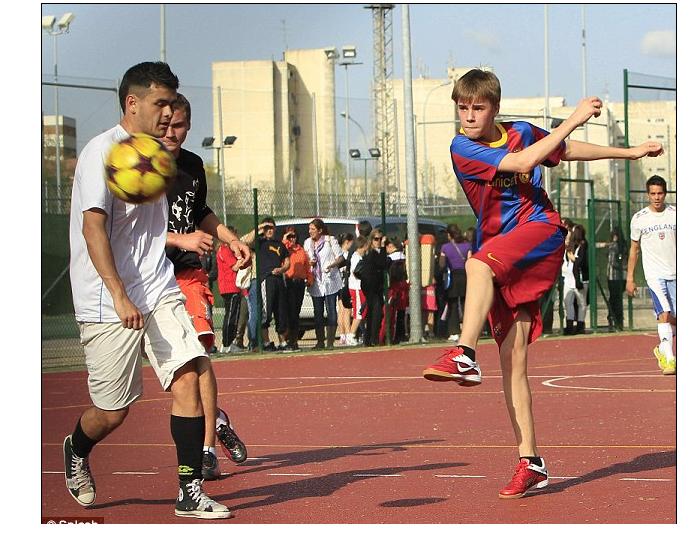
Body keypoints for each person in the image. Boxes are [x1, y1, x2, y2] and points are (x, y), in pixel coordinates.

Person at [422, 68, 664, 499]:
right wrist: (570, 120)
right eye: (462, 107)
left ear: (494, 107)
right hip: (502, 249)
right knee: (513, 364)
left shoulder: (519, 130)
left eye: (478, 107)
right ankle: (530, 460)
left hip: (539, 231)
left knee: (477, 265)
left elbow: (564, 150)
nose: (469, 115)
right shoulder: (462, 147)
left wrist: (628, 153)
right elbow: (524, 162)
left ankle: (462, 353)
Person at [64, 61, 233, 519]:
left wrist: (226, 235)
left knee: (190, 375)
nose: (167, 113)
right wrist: (118, 292)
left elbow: (191, 212)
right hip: (107, 297)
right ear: (132, 103)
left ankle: (188, 490)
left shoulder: (161, 155)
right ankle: (77, 448)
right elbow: (93, 228)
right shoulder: (104, 153)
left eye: (172, 104)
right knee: (113, 411)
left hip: (158, 285)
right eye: (160, 103)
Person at [163, 93, 249, 480]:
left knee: (199, 356)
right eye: (164, 124)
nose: (171, 132)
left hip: (188, 274)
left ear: (189, 126)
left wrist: (231, 239)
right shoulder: (138, 166)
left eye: (178, 125)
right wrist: (178, 238)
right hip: (149, 277)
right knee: (177, 375)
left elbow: (201, 213)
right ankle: (214, 420)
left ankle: (207, 449)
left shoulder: (193, 165)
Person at [626, 175, 676, 375]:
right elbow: (634, 250)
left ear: (665, 194)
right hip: (655, 275)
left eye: (660, 193)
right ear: (648, 195)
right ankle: (670, 360)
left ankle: (662, 348)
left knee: (675, 318)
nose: (657, 197)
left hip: (676, 272)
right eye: (653, 194)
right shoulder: (639, 219)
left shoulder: (675, 214)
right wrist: (630, 278)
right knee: (663, 312)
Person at [241, 217, 290, 351]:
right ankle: (265, 342)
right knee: (265, 313)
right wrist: (260, 227)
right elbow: (244, 241)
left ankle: (282, 342)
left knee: (280, 311)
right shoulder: (259, 243)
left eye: (271, 228)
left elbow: (287, 261)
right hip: (265, 279)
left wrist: (282, 269)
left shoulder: (280, 244)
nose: (269, 231)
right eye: (266, 228)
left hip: (278, 280)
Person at [303, 218, 344, 349]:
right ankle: (320, 341)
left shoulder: (330, 241)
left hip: (329, 280)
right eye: (309, 229)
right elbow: (306, 259)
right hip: (315, 281)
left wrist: (332, 265)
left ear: (320, 230)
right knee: (318, 313)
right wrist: (310, 263)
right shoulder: (307, 243)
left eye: (313, 229)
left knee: (331, 311)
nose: (310, 232)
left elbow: (340, 257)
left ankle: (330, 342)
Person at [282, 226, 313, 352]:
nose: (292, 239)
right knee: (289, 312)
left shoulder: (301, 250)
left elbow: (307, 267)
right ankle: (288, 340)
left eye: (293, 236)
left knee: (296, 312)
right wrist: (285, 240)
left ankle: (294, 341)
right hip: (288, 282)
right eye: (290, 236)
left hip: (299, 283)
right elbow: (282, 252)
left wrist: (309, 279)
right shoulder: (285, 249)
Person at [439, 223, 472, 341]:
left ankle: (454, 331)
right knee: (465, 304)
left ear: (449, 235)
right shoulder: (467, 246)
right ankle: (468, 330)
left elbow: (442, 264)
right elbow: (470, 261)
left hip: (452, 277)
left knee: (452, 304)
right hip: (465, 276)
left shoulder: (445, 247)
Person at [361, 229, 388, 346]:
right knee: (375, 312)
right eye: (376, 239)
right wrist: (382, 247)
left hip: (376, 287)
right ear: (371, 240)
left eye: (381, 239)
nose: (379, 241)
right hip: (371, 287)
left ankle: (370, 338)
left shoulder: (377, 252)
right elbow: (382, 263)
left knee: (374, 312)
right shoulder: (372, 253)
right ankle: (372, 338)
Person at [216, 241, 245, 353]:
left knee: (232, 314)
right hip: (230, 286)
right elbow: (234, 267)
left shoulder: (224, 250)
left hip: (230, 287)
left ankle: (228, 342)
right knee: (231, 315)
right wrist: (241, 260)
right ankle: (227, 343)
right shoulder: (225, 250)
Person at [562, 224, 589, 335]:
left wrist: (572, 257)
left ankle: (580, 325)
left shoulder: (583, 246)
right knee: (567, 302)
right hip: (568, 279)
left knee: (581, 303)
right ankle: (569, 325)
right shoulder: (570, 247)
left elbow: (579, 261)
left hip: (580, 279)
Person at [346, 235, 370, 346]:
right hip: (356, 287)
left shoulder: (359, 257)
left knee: (363, 312)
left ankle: (361, 334)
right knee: (358, 313)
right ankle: (351, 335)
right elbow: (356, 273)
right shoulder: (356, 257)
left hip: (360, 288)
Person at [337, 233, 355, 345]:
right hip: (345, 284)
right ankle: (347, 334)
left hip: (338, 284)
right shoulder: (347, 254)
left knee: (341, 310)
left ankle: (342, 335)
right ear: (347, 242)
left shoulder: (336, 252)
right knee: (346, 310)